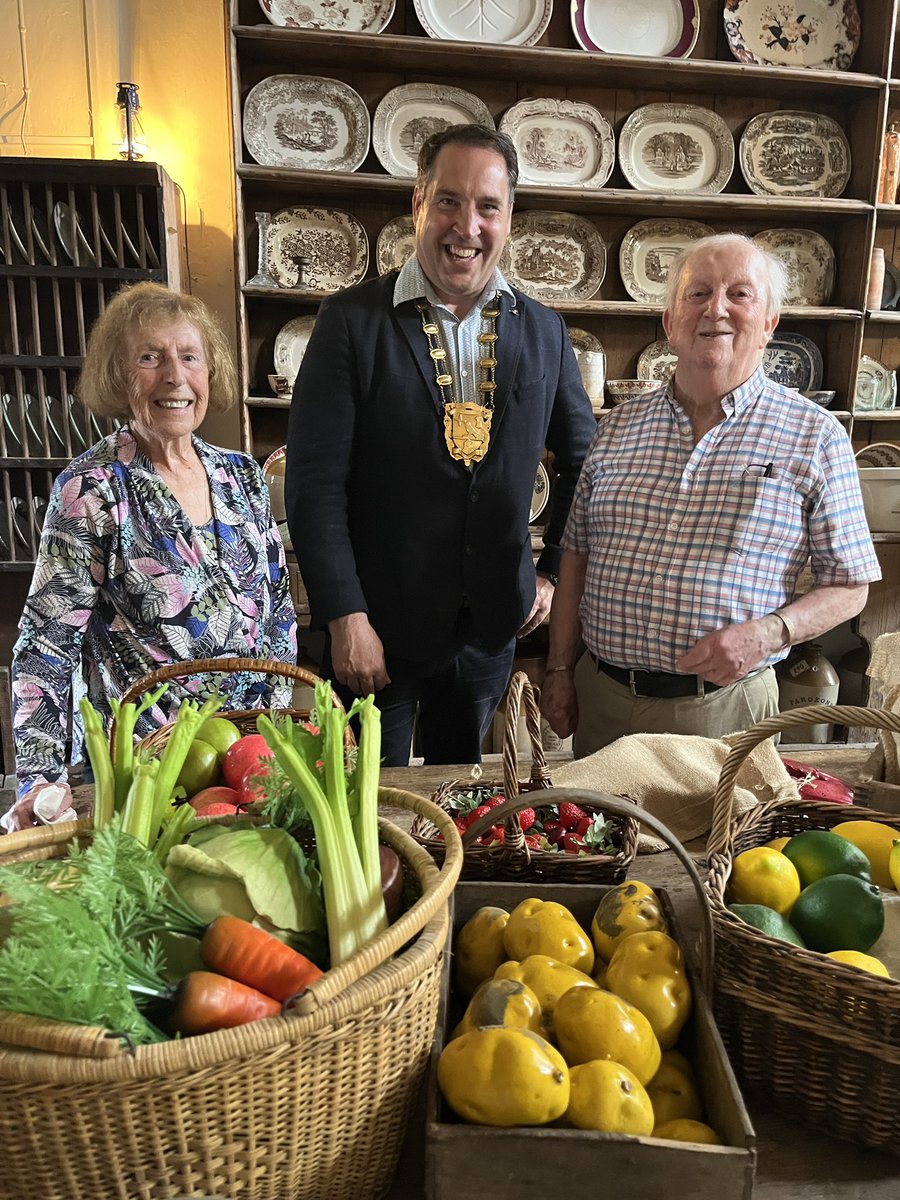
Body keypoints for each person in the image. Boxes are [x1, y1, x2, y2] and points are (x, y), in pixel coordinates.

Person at [286, 124, 596, 765]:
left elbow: (582, 463)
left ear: (509, 217)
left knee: (467, 802)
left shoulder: (544, 328)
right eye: (449, 201)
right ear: (418, 204)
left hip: (492, 625)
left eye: (488, 206)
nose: (468, 226)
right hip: (378, 625)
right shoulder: (350, 321)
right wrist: (344, 616)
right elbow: (314, 485)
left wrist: (549, 574)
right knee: (370, 803)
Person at [541, 232, 881, 755]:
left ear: (769, 323)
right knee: (596, 837)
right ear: (670, 323)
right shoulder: (615, 428)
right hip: (603, 699)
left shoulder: (815, 436)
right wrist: (561, 669)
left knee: (724, 839)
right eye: (697, 293)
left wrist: (769, 634)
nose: (715, 309)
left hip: (725, 708)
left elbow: (851, 585)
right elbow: (577, 560)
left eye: (739, 294)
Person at [4, 282, 297, 831]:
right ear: (118, 375)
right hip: (146, 775)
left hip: (248, 763)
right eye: (150, 358)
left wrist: (274, 735)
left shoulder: (243, 478)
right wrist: (41, 778)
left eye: (190, 357)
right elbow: (46, 643)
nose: (174, 377)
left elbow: (278, 614)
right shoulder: (91, 490)